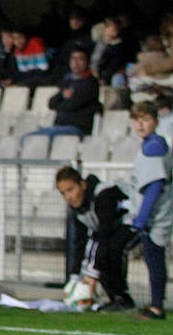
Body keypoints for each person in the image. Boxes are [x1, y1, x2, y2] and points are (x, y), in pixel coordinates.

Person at [55, 166, 137, 312]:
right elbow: (80, 242)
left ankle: (122, 297)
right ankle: (116, 298)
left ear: (83, 185)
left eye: (70, 189)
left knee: (110, 250)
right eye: (63, 193)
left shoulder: (103, 194)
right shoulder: (77, 208)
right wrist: (75, 277)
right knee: (102, 252)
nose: (68, 197)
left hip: (133, 219)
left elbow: (104, 231)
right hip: (112, 228)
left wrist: (91, 276)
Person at [130, 102, 173, 320]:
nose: (140, 124)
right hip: (158, 214)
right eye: (137, 119)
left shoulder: (154, 147)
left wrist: (142, 218)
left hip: (158, 215)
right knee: (153, 258)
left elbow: (154, 185)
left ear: (155, 121)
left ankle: (157, 307)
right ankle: (156, 303)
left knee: (154, 258)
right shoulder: (153, 144)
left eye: (145, 119)